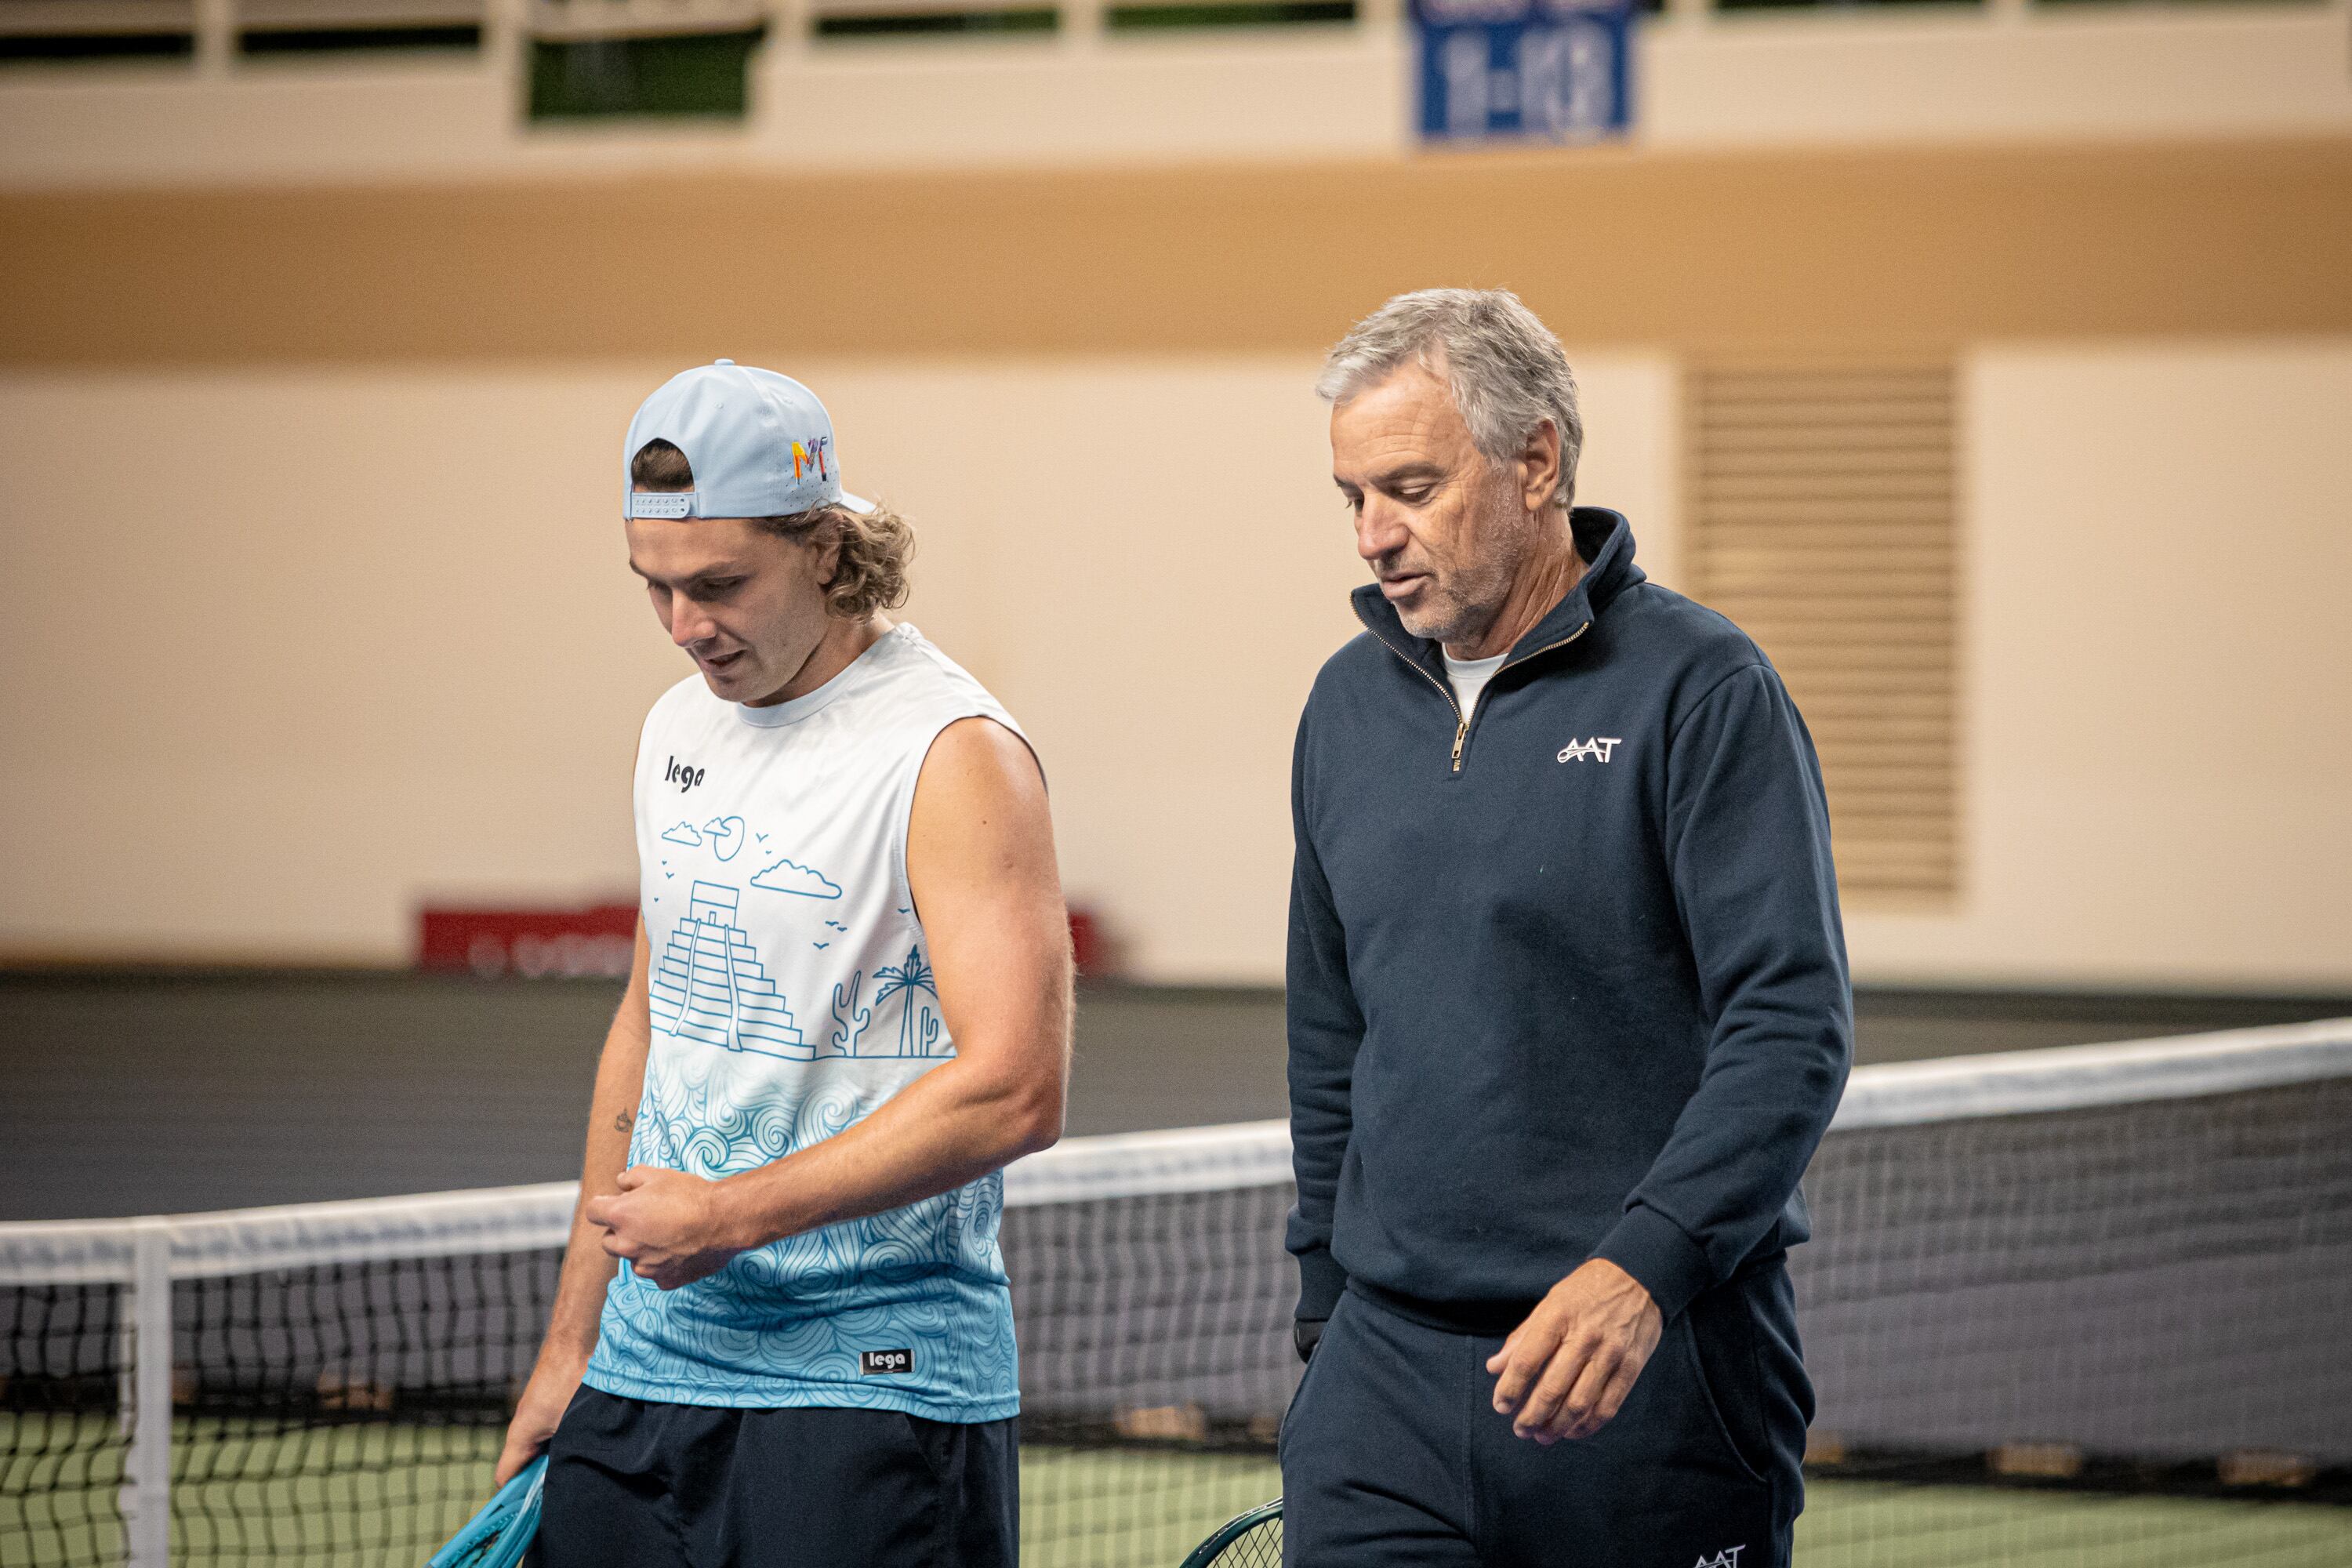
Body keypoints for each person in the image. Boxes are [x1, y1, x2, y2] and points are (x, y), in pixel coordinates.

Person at [1279, 291, 1852, 1568]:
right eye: (1352, 496)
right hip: (1382, 1393)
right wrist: (1327, 1318)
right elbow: (1329, 1037)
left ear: (1535, 461)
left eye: (1413, 488)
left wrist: (1643, 1272)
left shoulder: (1706, 690)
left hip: (1653, 1374)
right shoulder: (1342, 708)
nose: (1375, 534)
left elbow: (1791, 1029)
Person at [494, 360, 1073, 1568]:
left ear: (823, 544)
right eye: (653, 588)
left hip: (875, 1389)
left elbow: (1018, 1086)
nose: (686, 626)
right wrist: (568, 1352)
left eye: (720, 585)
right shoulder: (674, 730)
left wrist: (730, 1215)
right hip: (646, 1378)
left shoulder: (952, 753)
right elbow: (651, 1026)